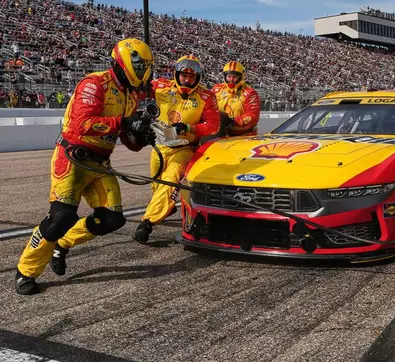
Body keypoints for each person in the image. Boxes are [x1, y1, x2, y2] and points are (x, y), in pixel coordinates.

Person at [15, 38, 156, 295]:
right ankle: (25, 271)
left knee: (112, 220)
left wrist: (141, 136)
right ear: (126, 62)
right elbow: (82, 123)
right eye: (142, 65)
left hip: (101, 163)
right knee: (61, 218)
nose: (145, 70)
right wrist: (124, 123)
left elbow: (128, 140)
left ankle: (64, 244)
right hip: (72, 158)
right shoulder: (95, 83)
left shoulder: (131, 94)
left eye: (147, 65)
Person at [133, 55, 221, 244]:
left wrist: (190, 128)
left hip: (184, 148)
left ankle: (146, 224)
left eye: (191, 76)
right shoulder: (159, 86)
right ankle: (167, 205)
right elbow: (138, 92)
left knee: (170, 181)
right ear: (177, 74)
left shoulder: (206, 96)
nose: (187, 80)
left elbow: (213, 126)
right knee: (156, 187)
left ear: (198, 78)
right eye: (184, 75)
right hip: (159, 146)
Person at [212, 61, 261, 137]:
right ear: (225, 76)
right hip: (221, 134)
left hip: (244, 136)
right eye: (229, 76)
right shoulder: (217, 89)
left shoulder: (250, 93)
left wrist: (232, 121)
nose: (231, 79)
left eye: (235, 77)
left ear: (241, 77)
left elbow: (253, 116)